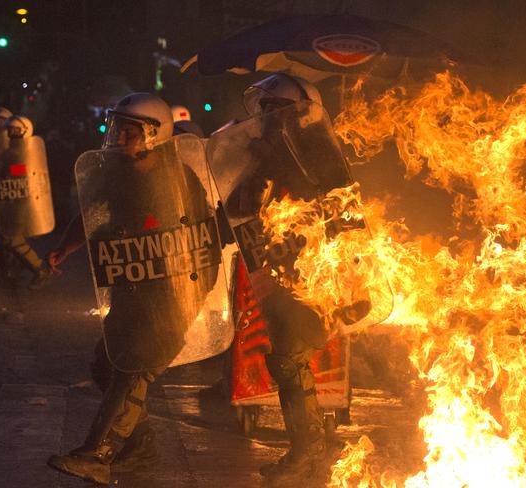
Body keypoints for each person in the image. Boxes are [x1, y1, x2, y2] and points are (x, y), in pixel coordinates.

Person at [46, 93, 222, 485]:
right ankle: (139, 448)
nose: (119, 137)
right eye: (117, 127)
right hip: (132, 289)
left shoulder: (179, 180)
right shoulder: (117, 175)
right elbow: (92, 215)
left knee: (132, 369)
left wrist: (187, 301)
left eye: (129, 130)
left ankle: (98, 454)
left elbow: (201, 241)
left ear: (154, 136)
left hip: (171, 293)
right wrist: (64, 248)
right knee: (107, 365)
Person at [229, 74, 361, 485]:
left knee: (290, 359)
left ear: (300, 115)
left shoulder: (317, 153)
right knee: (291, 361)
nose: (268, 118)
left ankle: (307, 451)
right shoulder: (263, 156)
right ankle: (314, 447)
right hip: (279, 270)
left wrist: (353, 281)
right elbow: (240, 208)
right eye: (265, 110)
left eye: (277, 110)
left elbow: (341, 213)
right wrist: (256, 168)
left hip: (314, 274)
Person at [0, 115, 53, 289]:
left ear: (25, 131)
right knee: (7, 238)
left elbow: (21, 171)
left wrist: (5, 173)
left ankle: (40, 269)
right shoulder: (11, 149)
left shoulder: (23, 152)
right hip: (9, 201)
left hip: (18, 202)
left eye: (15, 130)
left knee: (10, 238)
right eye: (9, 129)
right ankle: (12, 269)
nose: (11, 133)